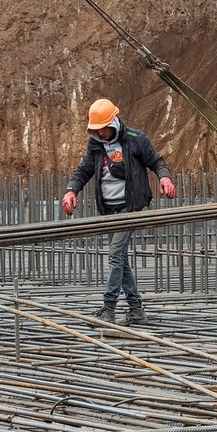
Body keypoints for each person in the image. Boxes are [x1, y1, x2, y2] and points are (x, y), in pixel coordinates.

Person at [61, 98, 175, 325]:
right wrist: (71, 190)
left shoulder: (135, 139)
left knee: (115, 255)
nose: (99, 132)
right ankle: (136, 309)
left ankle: (109, 308)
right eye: (95, 129)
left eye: (102, 128)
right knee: (120, 259)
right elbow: (84, 170)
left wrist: (164, 177)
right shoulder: (96, 145)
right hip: (109, 209)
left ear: (112, 122)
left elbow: (156, 161)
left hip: (129, 207)